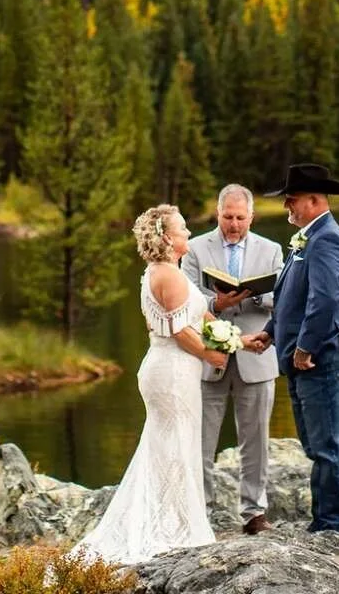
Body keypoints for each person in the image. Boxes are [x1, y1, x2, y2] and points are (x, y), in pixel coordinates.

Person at [74, 204, 233, 565]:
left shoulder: (158, 271)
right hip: (173, 373)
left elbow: (188, 316)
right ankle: (172, 529)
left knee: (171, 447)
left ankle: (171, 520)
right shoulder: (169, 275)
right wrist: (212, 355)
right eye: (182, 228)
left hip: (167, 369)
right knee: (175, 448)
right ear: (166, 237)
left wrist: (237, 337)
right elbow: (179, 330)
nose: (189, 233)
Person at [241, 162, 339, 534]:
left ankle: (335, 525)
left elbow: (324, 299)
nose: (286, 207)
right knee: (315, 445)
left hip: (321, 358)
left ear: (313, 199)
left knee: (328, 445)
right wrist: (272, 332)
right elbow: (292, 297)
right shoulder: (307, 236)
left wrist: (306, 347)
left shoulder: (326, 238)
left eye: (291, 200)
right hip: (300, 358)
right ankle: (324, 520)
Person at [180, 183, 284, 535]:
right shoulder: (194, 249)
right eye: (228, 217)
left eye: (241, 217)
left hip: (256, 354)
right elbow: (185, 300)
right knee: (202, 440)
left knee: (255, 439)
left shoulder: (271, 250)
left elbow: (283, 299)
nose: (234, 224)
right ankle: (202, 513)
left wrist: (253, 298)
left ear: (251, 216)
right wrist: (216, 305)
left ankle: (254, 514)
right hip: (208, 357)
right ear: (218, 213)